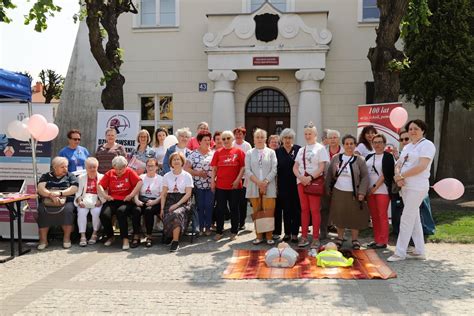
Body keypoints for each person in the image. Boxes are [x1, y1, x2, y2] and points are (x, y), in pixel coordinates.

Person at [388, 120, 436, 262]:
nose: (412, 131)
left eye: (416, 128)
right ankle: (419, 251)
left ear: (423, 130)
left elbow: (422, 166)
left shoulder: (427, 145)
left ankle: (400, 252)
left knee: (406, 218)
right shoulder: (408, 146)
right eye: (410, 129)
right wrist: (398, 176)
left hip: (417, 186)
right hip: (404, 186)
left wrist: (402, 175)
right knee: (414, 219)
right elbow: (398, 163)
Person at [326, 134, 369, 250]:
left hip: (354, 193)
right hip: (338, 192)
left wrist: (362, 192)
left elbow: (365, 177)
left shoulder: (360, 160)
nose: (349, 146)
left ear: (355, 145)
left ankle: (355, 239)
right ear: (343, 145)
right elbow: (329, 174)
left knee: (355, 216)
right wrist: (327, 189)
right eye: (347, 144)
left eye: (351, 144)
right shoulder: (336, 158)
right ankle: (340, 238)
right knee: (340, 216)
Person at [293, 123, 329, 249]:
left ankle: (315, 237)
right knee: (304, 210)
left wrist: (310, 177)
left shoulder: (320, 148)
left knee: (315, 210)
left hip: (314, 182)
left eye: (310, 134)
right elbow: (295, 167)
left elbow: (321, 167)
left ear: (315, 135)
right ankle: (303, 236)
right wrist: (301, 177)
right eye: (306, 134)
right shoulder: (301, 150)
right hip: (301, 182)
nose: (308, 136)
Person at [98, 156, 142, 250]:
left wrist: (131, 195)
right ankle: (110, 236)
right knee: (104, 215)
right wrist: (105, 196)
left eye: (121, 169)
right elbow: (100, 185)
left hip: (126, 200)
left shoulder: (130, 172)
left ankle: (125, 238)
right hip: (112, 200)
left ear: (125, 166)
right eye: (116, 169)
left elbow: (139, 182)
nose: (118, 171)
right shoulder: (110, 173)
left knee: (121, 212)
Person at [36, 157, 78, 250]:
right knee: (42, 211)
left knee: (68, 211)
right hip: (48, 200)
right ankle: (43, 240)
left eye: (66, 167)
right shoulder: (46, 176)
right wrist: (51, 195)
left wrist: (60, 193)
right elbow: (40, 188)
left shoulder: (70, 175)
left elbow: (74, 188)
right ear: (54, 167)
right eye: (62, 167)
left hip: (66, 200)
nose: (65, 169)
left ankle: (66, 239)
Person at [211, 130, 246, 241]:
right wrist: (212, 181)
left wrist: (238, 180)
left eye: (228, 138)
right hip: (221, 186)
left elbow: (243, 167)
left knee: (234, 209)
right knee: (220, 209)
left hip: (235, 186)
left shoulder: (239, 152)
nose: (226, 141)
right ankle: (219, 231)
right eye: (224, 139)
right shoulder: (218, 152)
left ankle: (234, 231)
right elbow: (214, 169)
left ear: (232, 139)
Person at [245, 129, 278, 245]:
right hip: (254, 186)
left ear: (265, 139)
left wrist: (265, 182)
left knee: (268, 211)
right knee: (257, 211)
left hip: (269, 186)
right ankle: (259, 236)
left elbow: (274, 169)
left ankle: (269, 236)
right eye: (257, 137)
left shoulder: (271, 152)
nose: (259, 139)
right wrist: (259, 183)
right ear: (253, 139)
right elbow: (247, 170)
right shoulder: (249, 153)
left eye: (261, 137)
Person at [365, 134, 395, 249]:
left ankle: (383, 241)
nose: (377, 144)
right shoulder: (368, 157)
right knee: (374, 216)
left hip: (382, 191)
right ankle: (377, 239)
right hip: (370, 192)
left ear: (384, 144)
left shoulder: (388, 157)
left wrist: (374, 188)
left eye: (380, 142)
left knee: (382, 215)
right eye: (375, 142)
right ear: (372, 144)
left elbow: (385, 175)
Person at [161, 152, 194, 252]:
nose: (176, 161)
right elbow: (163, 194)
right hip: (169, 200)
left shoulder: (187, 175)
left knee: (176, 214)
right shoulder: (166, 176)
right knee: (168, 213)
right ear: (171, 162)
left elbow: (188, 194)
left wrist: (177, 204)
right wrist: (161, 208)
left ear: (182, 161)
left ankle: (175, 241)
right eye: (174, 159)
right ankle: (169, 234)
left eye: (178, 159)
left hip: (183, 201)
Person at [185, 131, 215, 235]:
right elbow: (186, 168)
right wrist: (198, 173)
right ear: (199, 141)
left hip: (211, 185)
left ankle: (208, 227)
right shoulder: (193, 154)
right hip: (198, 185)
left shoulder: (213, 153)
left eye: (208, 140)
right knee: (200, 206)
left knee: (209, 205)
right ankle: (200, 227)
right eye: (205, 140)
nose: (207, 142)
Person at [274, 128, 301, 243]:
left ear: (292, 139)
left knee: (296, 209)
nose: (287, 140)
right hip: (283, 185)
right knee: (286, 210)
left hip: (296, 184)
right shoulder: (277, 152)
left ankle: (295, 233)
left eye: (289, 138)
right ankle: (287, 233)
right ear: (282, 139)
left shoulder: (298, 149)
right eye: (285, 138)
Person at [131, 158, 162, 248]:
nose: (150, 168)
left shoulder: (160, 179)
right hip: (142, 200)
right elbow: (136, 191)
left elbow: (162, 195)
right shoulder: (141, 177)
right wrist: (136, 200)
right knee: (136, 210)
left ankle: (149, 236)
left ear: (156, 167)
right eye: (148, 166)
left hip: (155, 201)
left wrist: (154, 202)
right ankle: (136, 235)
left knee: (149, 211)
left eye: (152, 166)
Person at [74, 157, 105, 247]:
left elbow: (105, 192)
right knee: (81, 212)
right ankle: (82, 235)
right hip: (84, 199)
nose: (92, 169)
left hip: (96, 200)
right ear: (86, 168)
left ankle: (95, 233)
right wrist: (79, 201)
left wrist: (101, 201)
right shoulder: (81, 178)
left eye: (94, 167)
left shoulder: (102, 177)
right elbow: (78, 192)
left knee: (96, 212)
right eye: (89, 167)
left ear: (97, 167)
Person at [320, 129, 344, 239]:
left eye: (335, 137)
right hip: (325, 184)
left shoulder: (344, 152)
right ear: (327, 140)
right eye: (330, 138)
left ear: (338, 139)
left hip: (342, 185)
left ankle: (341, 235)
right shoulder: (322, 151)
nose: (332, 140)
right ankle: (323, 232)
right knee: (324, 208)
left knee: (340, 209)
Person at [233, 126, 252, 230]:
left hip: (244, 177)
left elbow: (248, 161)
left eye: (240, 134)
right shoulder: (232, 144)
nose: (238, 135)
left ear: (244, 135)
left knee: (243, 201)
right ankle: (235, 221)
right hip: (234, 177)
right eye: (236, 133)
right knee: (233, 201)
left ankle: (242, 222)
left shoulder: (247, 145)